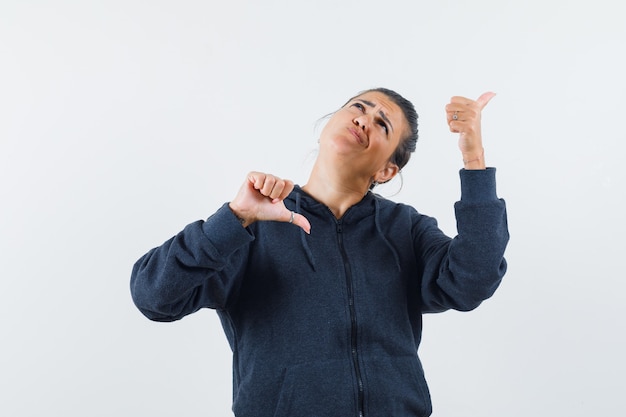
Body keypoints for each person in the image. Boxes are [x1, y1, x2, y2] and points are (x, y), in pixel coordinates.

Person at [130, 87, 509, 417]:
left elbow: (473, 278)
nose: (365, 119)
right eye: (359, 107)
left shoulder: (405, 229)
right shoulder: (253, 223)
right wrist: (234, 218)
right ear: (331, 122)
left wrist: (474, 159)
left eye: (382, 124)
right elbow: (153, 296)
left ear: (387, 171)